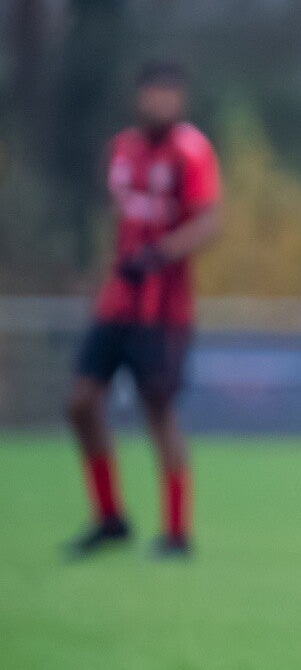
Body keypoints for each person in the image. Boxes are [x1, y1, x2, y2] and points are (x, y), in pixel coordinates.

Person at [64, 61, 223, 559]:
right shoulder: (121, 149)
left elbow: (210, 223)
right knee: (81, 404)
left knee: (159, 409)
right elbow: (117, 222)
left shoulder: (191, 151)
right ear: (139, 97)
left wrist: (160, 253)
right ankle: (109, 518)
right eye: (154, 93)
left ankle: (176, 532)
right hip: (116, 304)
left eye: (169, 95)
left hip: (164, 310)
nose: (161, 102)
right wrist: (98, 277)